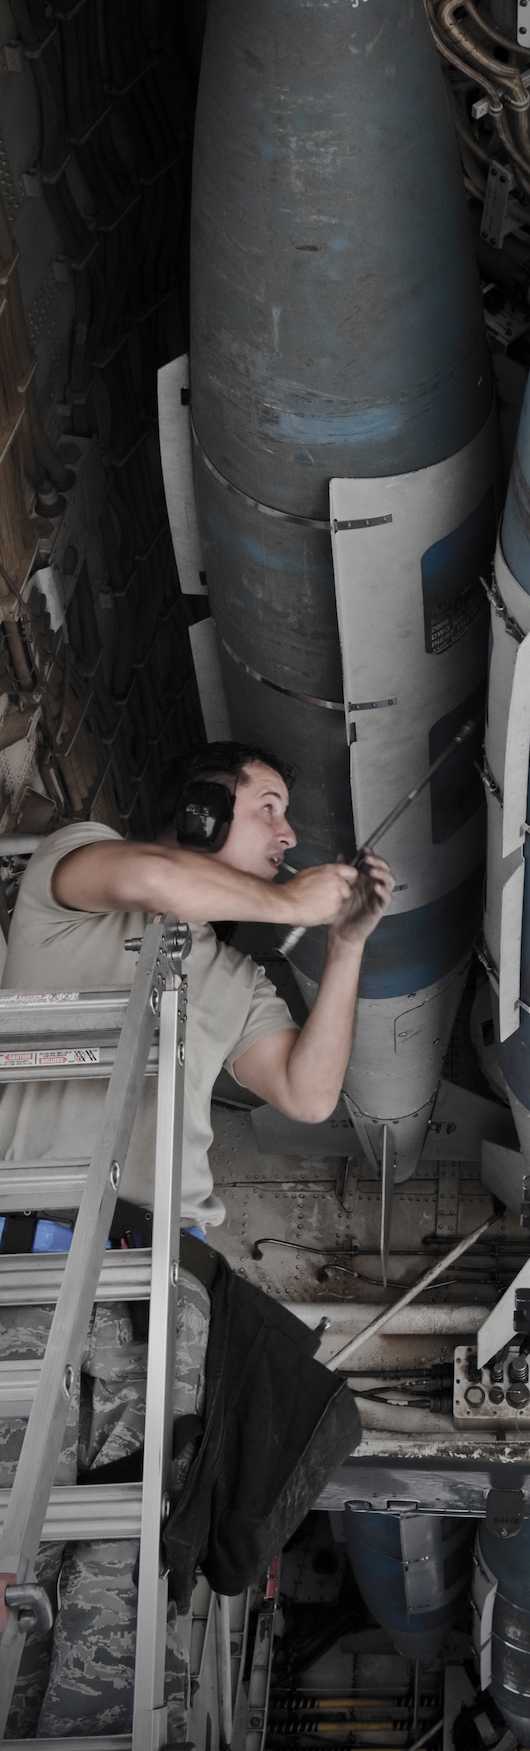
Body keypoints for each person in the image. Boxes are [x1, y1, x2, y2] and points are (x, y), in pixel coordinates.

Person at [0, 741, 393, 1738]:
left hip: (161, 1293)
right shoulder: (78, 870)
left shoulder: (229, 977)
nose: (291, 833)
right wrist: (298, 902)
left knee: (121, 1566)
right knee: (12, 1535)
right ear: (203, 810)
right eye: (271, 805)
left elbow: (308, 1089)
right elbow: (149, 874)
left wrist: (343, 944)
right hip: (37, 1270)